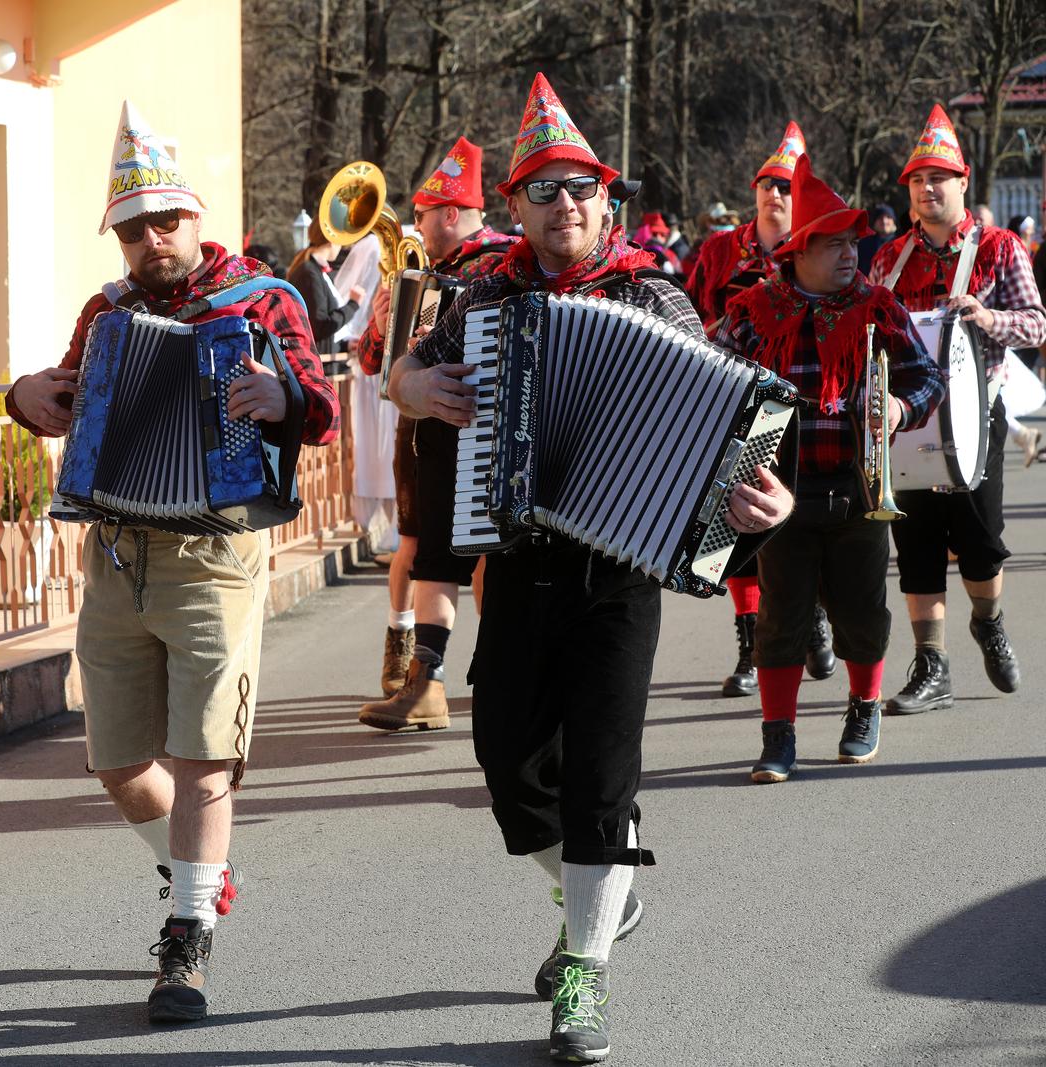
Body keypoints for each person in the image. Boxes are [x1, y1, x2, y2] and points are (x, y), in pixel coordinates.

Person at [388, 75, 793, 1063]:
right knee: (507, 768)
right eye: (544, 190)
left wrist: (758, 503)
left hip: (620, 568)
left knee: (601, 778)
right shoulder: (486, 296)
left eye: (581, 188)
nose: (565, 203)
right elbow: (407, 373)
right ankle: (608, 901)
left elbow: (718, 426)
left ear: (605, 200)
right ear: (515, 208)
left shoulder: (652, 295)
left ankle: (585, 968)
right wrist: (410, 385)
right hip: (518, 563)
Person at [5, 101, 339, 1025]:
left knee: (201, 757)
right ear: (116, 235)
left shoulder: (261, 299)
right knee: (117, 762)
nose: (152, 240)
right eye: (132, 228)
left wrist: (280, 397)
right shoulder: (106, 312)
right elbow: (62, 402)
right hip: (114, 548)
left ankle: (186, 933)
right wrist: (22, 395)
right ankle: (203, 869)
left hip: (215, 549)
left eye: (166, 221)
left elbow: (321, 404)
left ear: (197, 216)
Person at [712, 155, 945, 783]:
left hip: (860, 487)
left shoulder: (878, 305)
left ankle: (863, 707)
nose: (850, 253)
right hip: (778, 489)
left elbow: (928, 377)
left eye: (853, 242)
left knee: (862, 611)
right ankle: (778, 734)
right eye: (834, 244)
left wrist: (899, 407)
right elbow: (709, 379)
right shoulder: (755, 308)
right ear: (798, 251)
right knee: (781, 616)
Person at [868, 104, 1046, 714]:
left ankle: (988, 622)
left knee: (980, 540)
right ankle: (932, 665)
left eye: (937, 176)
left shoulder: (999, 247)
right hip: (909, 417)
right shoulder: (890, 259)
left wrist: (987, 317)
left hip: (978, 412)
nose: (926, 187)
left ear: (963, 181)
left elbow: (1036, 323)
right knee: (915, 543)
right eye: (917, 179)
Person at [352, 137, 513, 727]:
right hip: (425, 435)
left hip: (489, 432)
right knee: (428, 551)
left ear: (449, 213)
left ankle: (495, 672)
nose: (410, 226)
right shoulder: (416, 274)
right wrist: (386, 310)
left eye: (418, 216)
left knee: (484, 553)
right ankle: (426, 682)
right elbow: (379, 361)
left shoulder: (505, 264)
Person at [685, 121, 834, 698]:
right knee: (740, 524)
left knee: (807, 522)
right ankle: (750, 647)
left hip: (810, 411)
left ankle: (815, 616)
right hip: (739, 406)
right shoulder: (721, 250)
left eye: (787, 186)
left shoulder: (822, 246)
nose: (775, 194)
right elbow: (689, 318)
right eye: (767, 183)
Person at [288, 217, 366, 355]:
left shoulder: (314, 271)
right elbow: (319, 326)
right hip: (315, 368)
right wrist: (353, 305)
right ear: (332, 239)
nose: (341, 246)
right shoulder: (309, 273)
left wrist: (345, 345)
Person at [858, 204, 898, 274]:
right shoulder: (864, 244)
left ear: (893, 221)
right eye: (880, 218)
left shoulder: (901, 244)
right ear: (875, 222)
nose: (884, 221)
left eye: (888, 217)